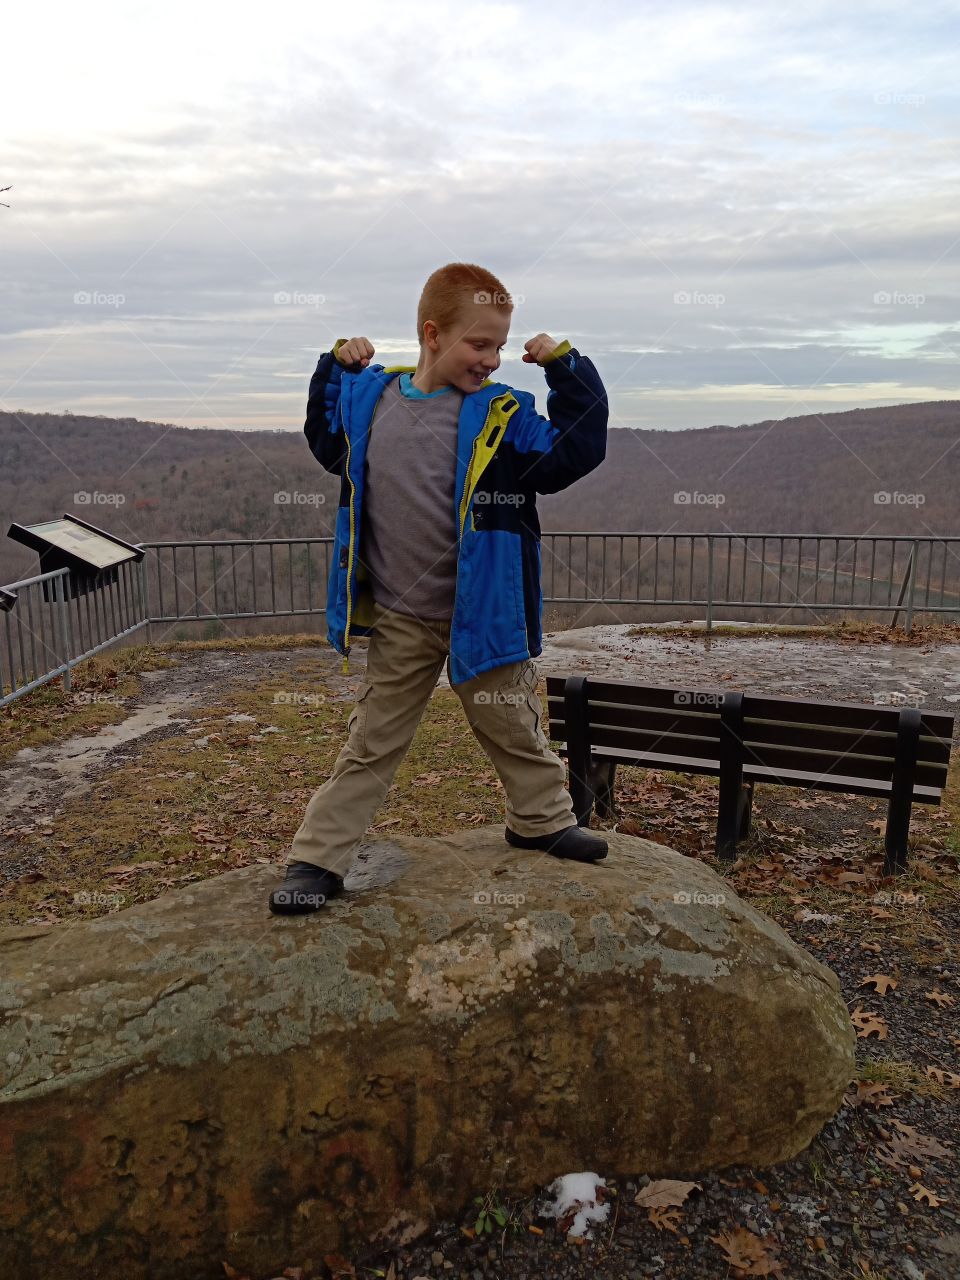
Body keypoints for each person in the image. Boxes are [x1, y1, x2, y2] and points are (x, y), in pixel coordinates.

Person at [269, 262, 609, 915]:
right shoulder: (370, 400)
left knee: (513, 723)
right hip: (402, 616)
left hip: (482, 616)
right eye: (479, 344)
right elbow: (323, 436)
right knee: (372, 741)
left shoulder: (503, 417)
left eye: (501, 346)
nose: (493, 358)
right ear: (432, 334)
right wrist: (332, 366)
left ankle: (540, 821)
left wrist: (566, 369)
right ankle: (318, 857)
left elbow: (574, 450)